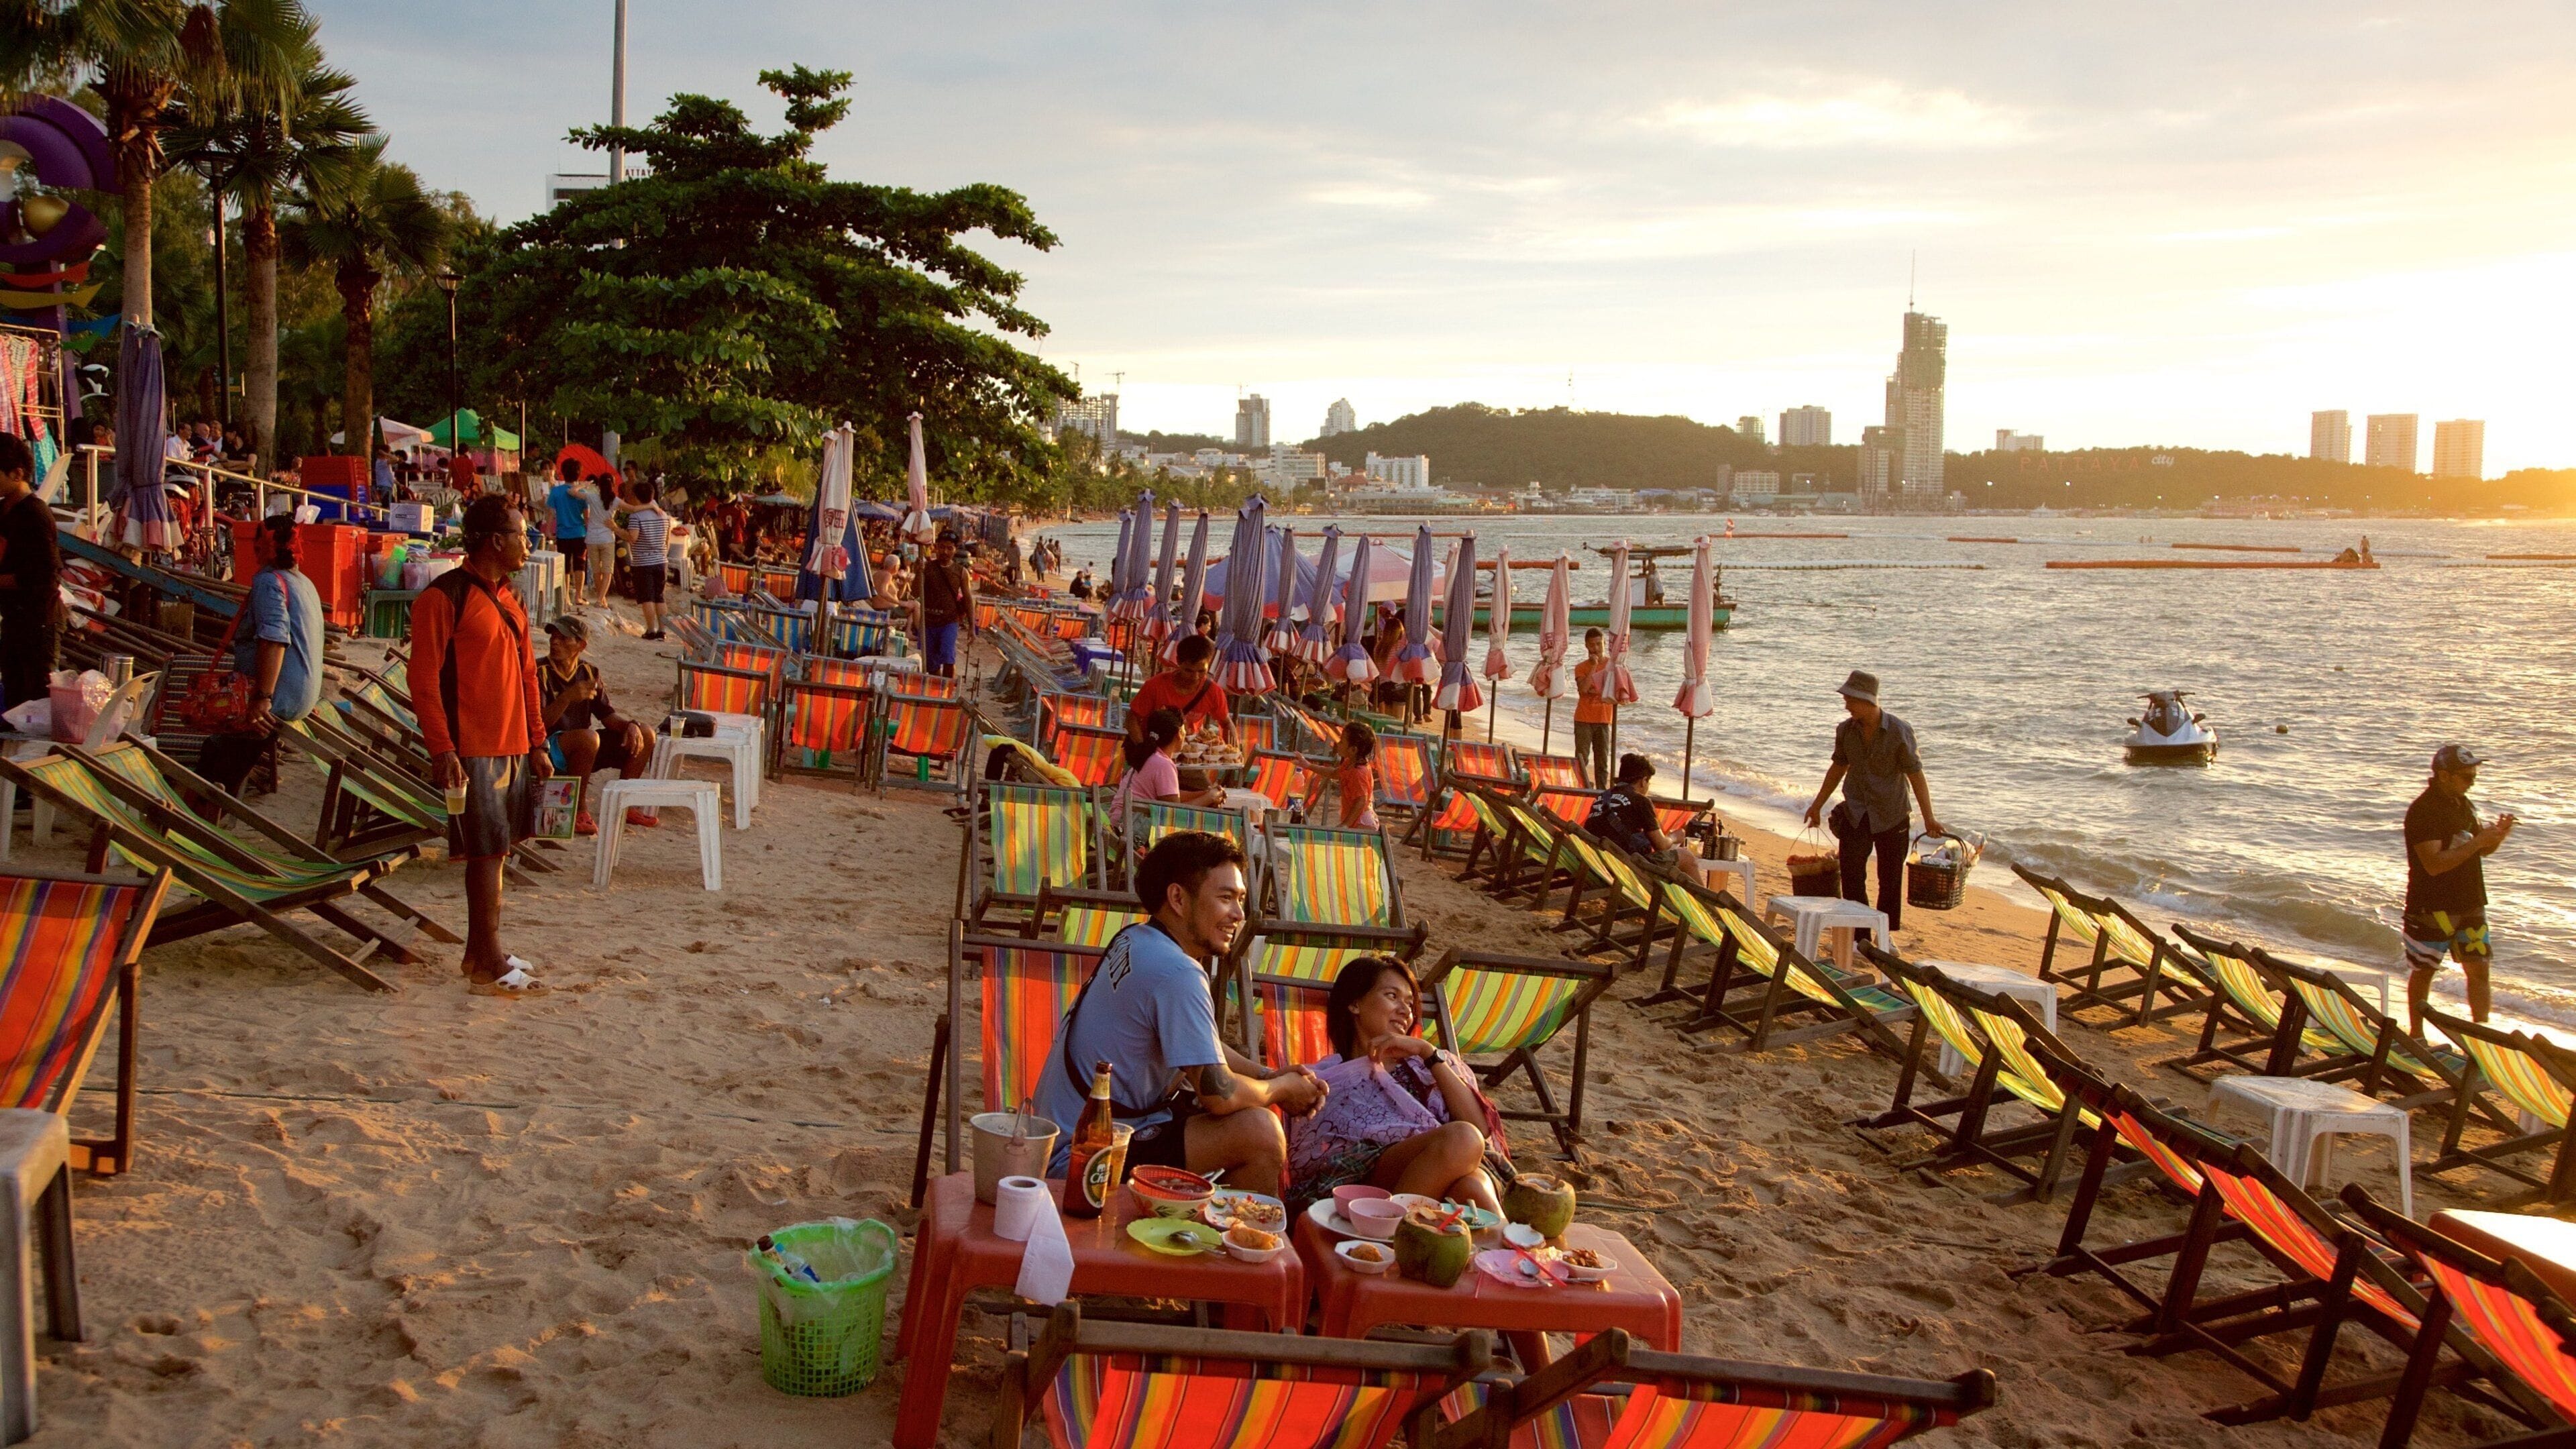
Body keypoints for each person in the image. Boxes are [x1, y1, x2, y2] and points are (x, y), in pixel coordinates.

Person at [1032, 831, 1326, 1196]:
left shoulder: (1137, 938)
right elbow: (1219, 1095)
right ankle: (1241, 1231)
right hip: (1082, 1159)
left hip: (1064, 1136)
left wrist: (1266, 1074)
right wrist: (1282, 1089)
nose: (1239, 915)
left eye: (1240, 900)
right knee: (1260, 1132)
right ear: (1178, 899)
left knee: (1249, 1109)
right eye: (1226, 898)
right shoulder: (1177, 972)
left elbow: (1200, 1045)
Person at [408, 494, 553, 998]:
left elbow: (529, 676)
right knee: (485, 854)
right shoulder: (443, 598)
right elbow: (423, 681)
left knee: (499, 850)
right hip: (470, 746)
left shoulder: (512, 599)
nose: (528, 543)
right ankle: (488, 960)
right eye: (520, 534)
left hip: (512, 742)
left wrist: (537, 741)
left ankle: (480, 951)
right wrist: (442, 749)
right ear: (495, 540)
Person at [1284, 955, 1507, 1214]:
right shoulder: (1327, 1076)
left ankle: (1392, 1229)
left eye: (1410, 1003)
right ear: (1355, 1003)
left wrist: (1428, 1053)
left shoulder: (1432, 1064)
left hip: (1448, 1169)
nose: (1406, 1011)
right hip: (1363, 1180)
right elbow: (1315, 1158)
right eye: (1392, 996)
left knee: (1471, 1186)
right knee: (1463, 1139)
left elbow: (1481, 1129)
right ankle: (1392, 1224)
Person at [1803, 670, 1944, 932]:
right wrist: (1817, 805)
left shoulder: (1899, 731)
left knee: (1890, 881)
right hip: (1856, 813)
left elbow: (1916, 775)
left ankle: (1885, 936)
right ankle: (1860, 936)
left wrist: (1929, 818)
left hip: (1893, 813)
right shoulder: (1845, 730)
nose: (1846, 706)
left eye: (1850, 700)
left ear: (1866, 700)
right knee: (1852, 876)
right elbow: (1838, 768)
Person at [197, 515, 325, 795]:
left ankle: (208, 810)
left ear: (262, 548)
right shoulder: (304, 583)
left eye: (256, 548)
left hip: (275, 700)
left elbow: (274, 641)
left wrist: (262, 698)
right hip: (301, 697)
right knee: (219, 752)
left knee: (216, 764)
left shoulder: (270, 582)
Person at [2404, 744, 2514, 1034]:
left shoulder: (2463, 804)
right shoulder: (2424, 811)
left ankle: (2482, 1037)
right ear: (2444, 775)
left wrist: (2496, 838)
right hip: (2433, 905)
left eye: (2474, 775)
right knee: (2425, 971)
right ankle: (2417, 1035)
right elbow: (2434, 864)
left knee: (2479, 970)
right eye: (2466, 776)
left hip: (2470, 901)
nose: (2472, 781)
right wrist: (2478, 842)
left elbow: (2480, 851)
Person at [537, 614, 657, 837]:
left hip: (585, 751)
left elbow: (607, 716)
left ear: (581, 645)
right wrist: (567, 698)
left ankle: (625, 804)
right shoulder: (540, 671)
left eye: (564, 638)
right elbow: (539, 724)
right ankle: (579, 810)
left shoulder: (589, 672)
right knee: (588, 738)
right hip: (548, 749)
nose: (555, 642)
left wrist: (631, 725)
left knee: (646, 733)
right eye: (553, 637)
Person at [1588, 753, 1715, 886]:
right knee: (1687, 857)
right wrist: (1674, 837)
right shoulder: (1641, 801)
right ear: (1643, 781)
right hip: (1626, 870)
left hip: (1598, 865)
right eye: (1649, 782)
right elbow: (1661, 846)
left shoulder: (1601, 798)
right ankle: (1704, 900)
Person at [0, 434, 61, 710]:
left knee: (35, 704)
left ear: (17, 474)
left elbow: (44, 578)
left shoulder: (35, 515)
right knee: (14, 700)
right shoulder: (4, 510)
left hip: (38, 623)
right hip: (13, 620)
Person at [1112, 706, 1224, 816]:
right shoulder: (1163, 764)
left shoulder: (1149, 755)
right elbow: (1174, 813)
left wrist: (1205, 793)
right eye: (1184, 730)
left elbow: (1172, 796)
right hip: (1131, 824)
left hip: (1121, 821)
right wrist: (1210, 797)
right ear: (1179, 733)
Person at [1129, 634, 1233, 741]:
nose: (1195, 677)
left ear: (1209, 664)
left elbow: (1226, 723)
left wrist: (1233, 749)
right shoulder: (1155, 685)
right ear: (1178, 661)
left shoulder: (1213, 691)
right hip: (1152, 744)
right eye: (1189, 671)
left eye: (1201, 671)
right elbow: (1132, 719)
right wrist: (1142, 747)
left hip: (1190, 747)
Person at [616, 476, 672, 640]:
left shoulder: (637, 517)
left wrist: (617, 530)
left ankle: (651, 630)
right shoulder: (663, 515)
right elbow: (667, 540)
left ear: (636, 497)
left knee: (647, 597)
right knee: (660, 597)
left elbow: (632, 537)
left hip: (643, 562)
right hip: (661, 560)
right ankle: (663, 631)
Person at [918, 532, 975, 678]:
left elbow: (968, 600)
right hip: (928, 622)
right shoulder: (927, 568)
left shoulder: (961, 572)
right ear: (936, 547)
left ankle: (948, 689)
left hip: (949, 621)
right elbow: (915, 592)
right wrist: (918, 572)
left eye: (950, 548)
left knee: (948, 657)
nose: (945, 552)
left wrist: (972, 627)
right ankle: (938, 688)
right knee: (931, 664)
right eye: (942, 547)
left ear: (955, 550)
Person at [1571, 628, 1617, 788]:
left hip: (1604, 719)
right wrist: (1593, 666)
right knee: (1581, 759)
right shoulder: (1581, 667)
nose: (1596, 648)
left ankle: (1602, 792)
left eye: (1599, 644)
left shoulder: (1613, 666)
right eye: (1592, 645)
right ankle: (1581, 789)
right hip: (1584, 719)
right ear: (1587, 646)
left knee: (1602, 762)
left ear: (1604, 644)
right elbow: (1584, 689)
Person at [545, 460, 595, 602]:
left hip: (562, 534)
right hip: (580, 533)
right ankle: (579, 596)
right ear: (579, 474)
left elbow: (550, 514)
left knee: (565, 566)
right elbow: (587, 517)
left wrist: (548, 531)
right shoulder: (583, 493)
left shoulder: (556, 492)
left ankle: (566, 597)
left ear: (563, 473)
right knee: (580, 564)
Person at [1334, 719, 1380, 830]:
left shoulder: (1358, 772)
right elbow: (1335, 773)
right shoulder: (1350, 763)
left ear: (1353, 750)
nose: (1338, 744)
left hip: (1362, 823)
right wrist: (1308, 765)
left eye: (1342, 742)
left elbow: (1361, 801)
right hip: (1356, 820)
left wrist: (1345, 825)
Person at [584, 472, 621, 606]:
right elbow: (633, 509)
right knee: (607, 571)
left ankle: (602, 599)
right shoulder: (616, 501)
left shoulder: (592, 497)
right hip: (607, 538)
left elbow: (572, 492)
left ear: (599, 485)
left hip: (592, 538)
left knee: (596, 571)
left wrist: (584, 485)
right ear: (613, 485)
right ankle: (601, 600)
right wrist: (652, 506)